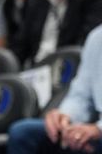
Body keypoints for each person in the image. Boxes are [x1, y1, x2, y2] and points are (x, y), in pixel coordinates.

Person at [7, 23, 102, 154]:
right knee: (22, 132)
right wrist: (65, 116)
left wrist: (99, 129)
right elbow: (81, 96)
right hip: (93, 130)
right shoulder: (97, 37)